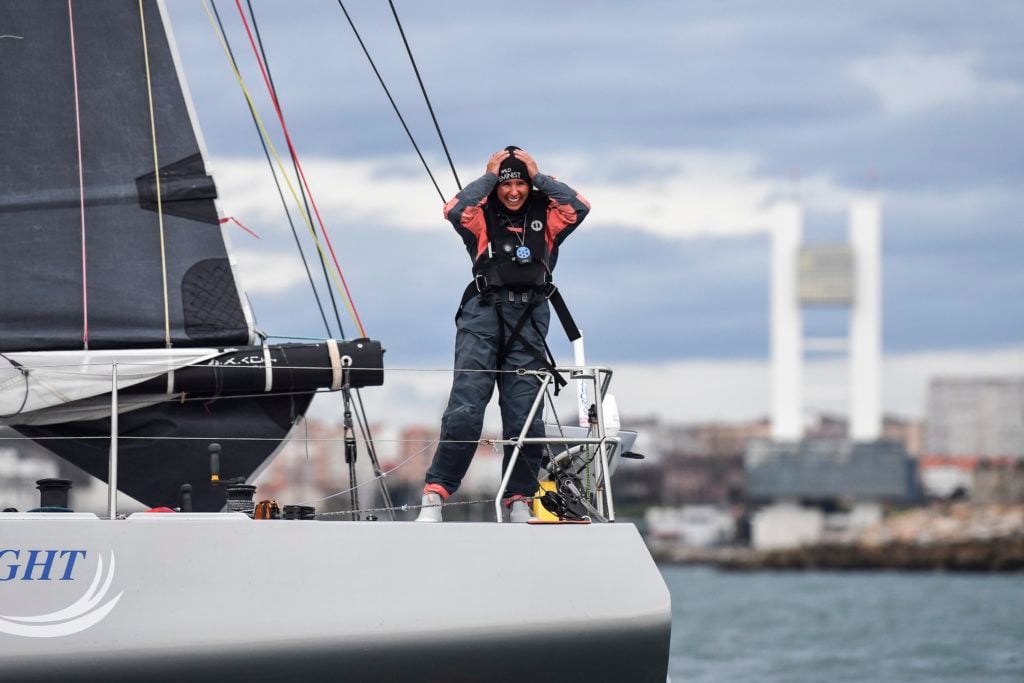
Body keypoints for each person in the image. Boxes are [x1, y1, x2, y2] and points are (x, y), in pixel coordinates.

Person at [416, 146, 590, 522]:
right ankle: (435, 495)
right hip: (482, 316)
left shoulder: (548, 215)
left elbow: (580, 207)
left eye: (521, 183)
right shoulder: (482, 216)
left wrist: (538, 175)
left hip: (530, 317)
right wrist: (490, 176)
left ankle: (519, 500)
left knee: (525, 417)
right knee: (466, 409)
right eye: (506, 184)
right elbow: (453, 210)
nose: (514, 191)